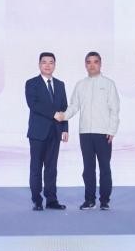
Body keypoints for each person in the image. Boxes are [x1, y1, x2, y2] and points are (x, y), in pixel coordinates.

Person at [55, 52, 119, 210]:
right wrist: (63, 116)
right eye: (89, 62)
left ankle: (104, 201)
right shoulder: (81, 85)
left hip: (103, 133)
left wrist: (112, 130)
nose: (92, 65)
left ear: (100, 64)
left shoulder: (108, 84)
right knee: (88, 169)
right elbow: (73, 106)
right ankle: (89, 200)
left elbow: (114, 109)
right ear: (85, 65)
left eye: (95, 62)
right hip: (85, 133)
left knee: (104, 168)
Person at [25, 52, 69, 211]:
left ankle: (51, 200)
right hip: (38, 133)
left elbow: (64, 107)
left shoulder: (60, 84)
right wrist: (53, 114)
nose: (47, 65)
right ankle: (37, 200)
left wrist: (65, 128)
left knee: (51, 168)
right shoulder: (32, 83)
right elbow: (33, 104)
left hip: (55, 132)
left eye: (51, 62)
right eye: (44, 62)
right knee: (36, 167)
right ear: (39, 65)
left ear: (55, 65)